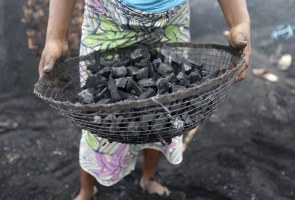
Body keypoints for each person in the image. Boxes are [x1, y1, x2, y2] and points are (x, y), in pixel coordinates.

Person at [38, 0, 251, 199]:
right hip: (107, 21)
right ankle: (87, 190)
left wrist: (239, 21)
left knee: (165, 111)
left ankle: (148, 178)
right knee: (99, 118)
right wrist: (56, 37)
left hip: (170, 21)